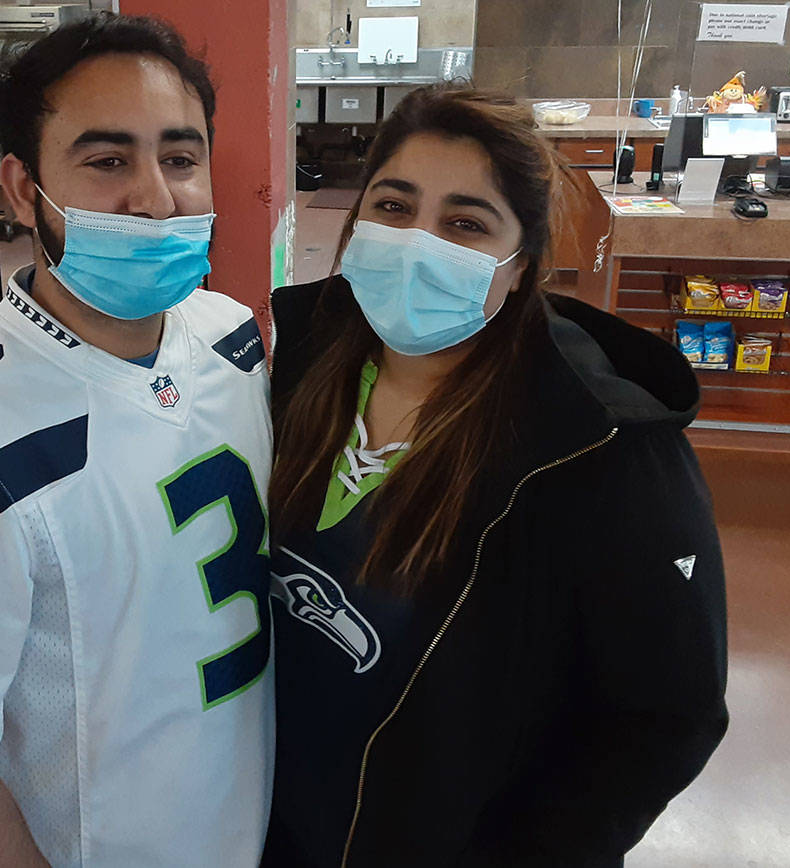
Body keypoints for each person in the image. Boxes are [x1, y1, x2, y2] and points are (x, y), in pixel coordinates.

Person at [0, 14, 274, 868]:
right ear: (23, 188)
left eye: (180, 158)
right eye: (108, 162)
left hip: (249, 824)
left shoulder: (230, 337)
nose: (156, 197)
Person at [263, 85, 728, 867]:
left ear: (520, 269)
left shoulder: (601, 448)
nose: (417, 241)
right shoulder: (302, 364)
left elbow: (666, 716)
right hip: (273, 823)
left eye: (465, 224)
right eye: (393, 206)